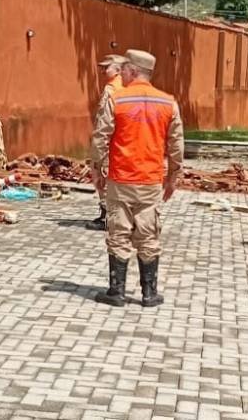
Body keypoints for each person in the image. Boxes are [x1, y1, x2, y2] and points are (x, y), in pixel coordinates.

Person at [91, 50, 184, 307]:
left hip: (121, 178)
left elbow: (101, 136)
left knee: (119, 233)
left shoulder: (117, 99)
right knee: (149, 233)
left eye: (123, 70)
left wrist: (96, 168)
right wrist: (173, 176)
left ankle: (117, 291)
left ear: (132, 71)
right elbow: (176, 144)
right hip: (151, 180)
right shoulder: (168, 103)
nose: (121, 74)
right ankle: (149, 293)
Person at [86, 54, 126, 231]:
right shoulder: (129, 88)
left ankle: (107, 216)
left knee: (102, 178)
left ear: (118, 69)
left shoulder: (111, 90)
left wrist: (96, 154)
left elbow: (104, 124)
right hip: (126, 144)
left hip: (110, 145)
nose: (102, 70)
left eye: (106, 67)